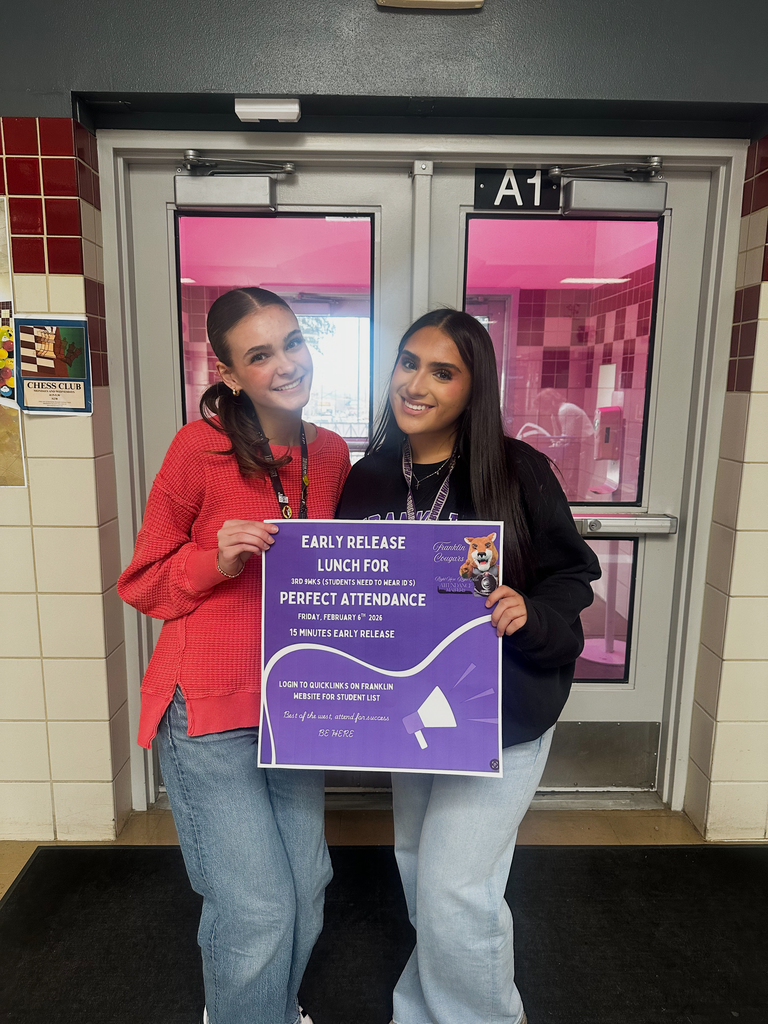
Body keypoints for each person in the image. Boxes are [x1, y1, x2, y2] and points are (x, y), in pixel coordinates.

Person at [336, 309, 600, 1024]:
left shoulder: (517, 470)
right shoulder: (367, 480)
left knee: (457, 889)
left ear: (471, 388)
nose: (415, 383)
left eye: (441, 371)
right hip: (413, 712)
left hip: (502, 712)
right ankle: (420, 1011)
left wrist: (528, 610)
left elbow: (574, 577)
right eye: (407, 362)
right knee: (422, 871)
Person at [118, 287, 351, 1024]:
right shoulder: (200, 449)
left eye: (291, 342)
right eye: (260, 354)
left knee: (306, 891)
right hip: (208, 709)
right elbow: (142, 581)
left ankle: (271, 1012)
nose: (286, 364)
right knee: (256, 908)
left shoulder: (333, 453)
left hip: (293, 708)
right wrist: (212, 559)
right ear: (227, 373)